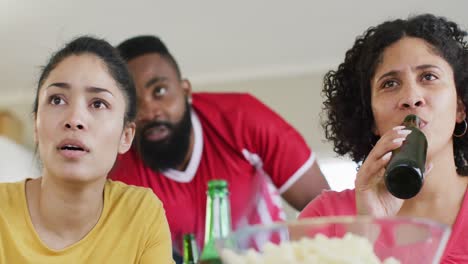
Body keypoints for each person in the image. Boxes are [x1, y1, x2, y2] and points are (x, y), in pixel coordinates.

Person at [109, 35, 330, 258]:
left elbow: (328, 214)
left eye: (159, 91)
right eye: (134, 103)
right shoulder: (116, 169)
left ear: (186, 91)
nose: (149, 111)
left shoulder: (243, 118)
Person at [299, 14, 468, 262]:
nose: (411, 97)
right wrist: (368, 229)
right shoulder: (325, 218)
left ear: (460, 108)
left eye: (429, 77)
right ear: (371, 119)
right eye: (390, 83)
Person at [0, 36, 174, 263]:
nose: (74, 119)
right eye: (57, 100)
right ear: (36, 125)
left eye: (98, 103)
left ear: (126, 136)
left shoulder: (141, 214)